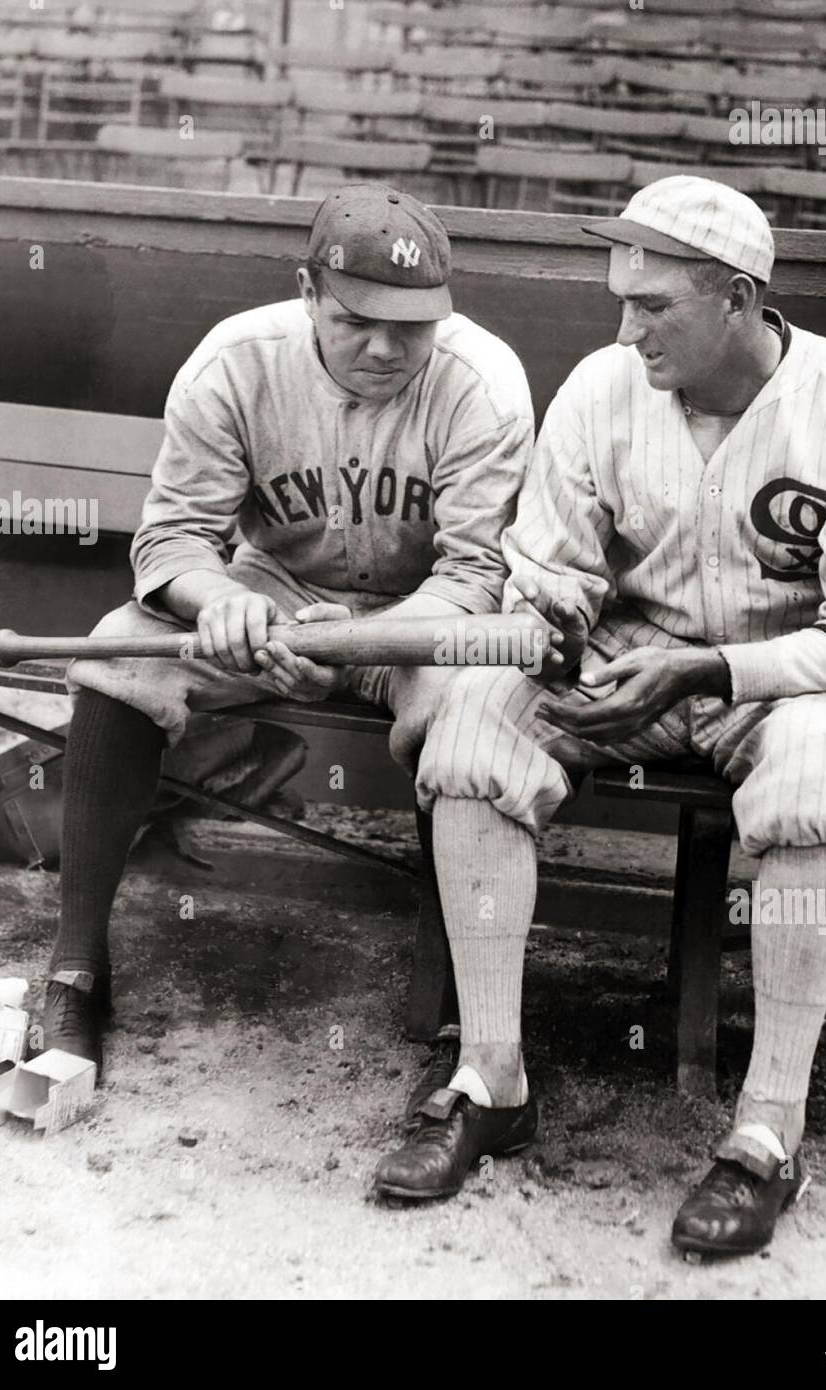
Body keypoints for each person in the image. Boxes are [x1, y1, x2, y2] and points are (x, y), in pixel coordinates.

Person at [376, 176, 826, 1257]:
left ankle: (768, 1129)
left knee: (820, 780)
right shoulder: (601, 389)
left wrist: (711, 670)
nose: (626, 330)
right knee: (474, 731)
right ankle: (489, 1078)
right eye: (619, 300)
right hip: (628, 670)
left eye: (654, 307)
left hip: (786, 683)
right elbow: (545, 573)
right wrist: (558, 621)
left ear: (736, 298)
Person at [39, 184, 535, 1085]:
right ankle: (76, 968)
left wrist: (355, 641)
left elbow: (477, 575)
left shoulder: (482, 382)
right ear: (307, 289)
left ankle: (467, 1013)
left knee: (467, 716)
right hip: (269, 591)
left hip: (416, 617)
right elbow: (173, 537)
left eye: (411, 325)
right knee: (116, 658)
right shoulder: (235, 360)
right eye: (357, 320)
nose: (386, 348)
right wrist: (214, 603)